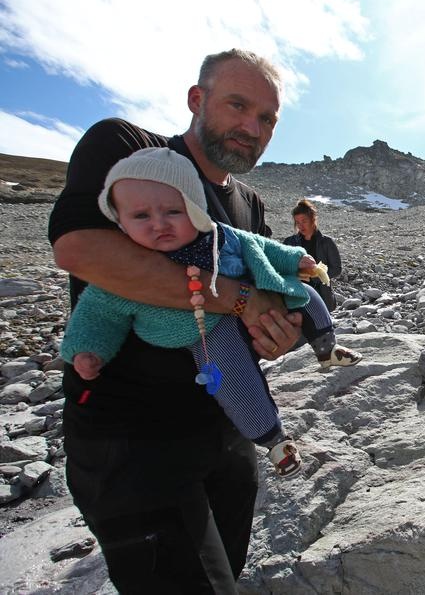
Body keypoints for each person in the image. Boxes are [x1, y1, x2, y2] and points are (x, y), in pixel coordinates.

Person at [47, 49, 308, 591]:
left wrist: (277, 332)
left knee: (226, 572)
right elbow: (79, 248)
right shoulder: (127, 151)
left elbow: (261, 298)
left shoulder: (249, 203)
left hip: (223, 426)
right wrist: (240, 299)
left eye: (267, 118)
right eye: (238, 105)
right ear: (197, 99)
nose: (252, 127)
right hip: (132, 437)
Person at [59, 148, 361, 479]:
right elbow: (97, 312)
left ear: (195, 208)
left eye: (174, 211)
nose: (159, 224)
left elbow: (263, 247)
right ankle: (275, 441)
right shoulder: (126, 269)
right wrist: (88, 349)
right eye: (141, 216)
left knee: (301, 292)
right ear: (119, 220)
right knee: (236, 382)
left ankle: (326, 347)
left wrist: (295, 259)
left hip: (251, 310)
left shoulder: (221, 235)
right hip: (207, 333)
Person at [284, 198, 342, 312]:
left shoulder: (327, 242)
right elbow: (282, 267)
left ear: (313, 219)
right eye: (297, 222)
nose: (301, 226)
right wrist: (297, 273)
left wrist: (317, 275)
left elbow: (337, 269)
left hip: (322, 297)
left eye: (304, 221)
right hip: (297, 296)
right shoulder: (289, 242)